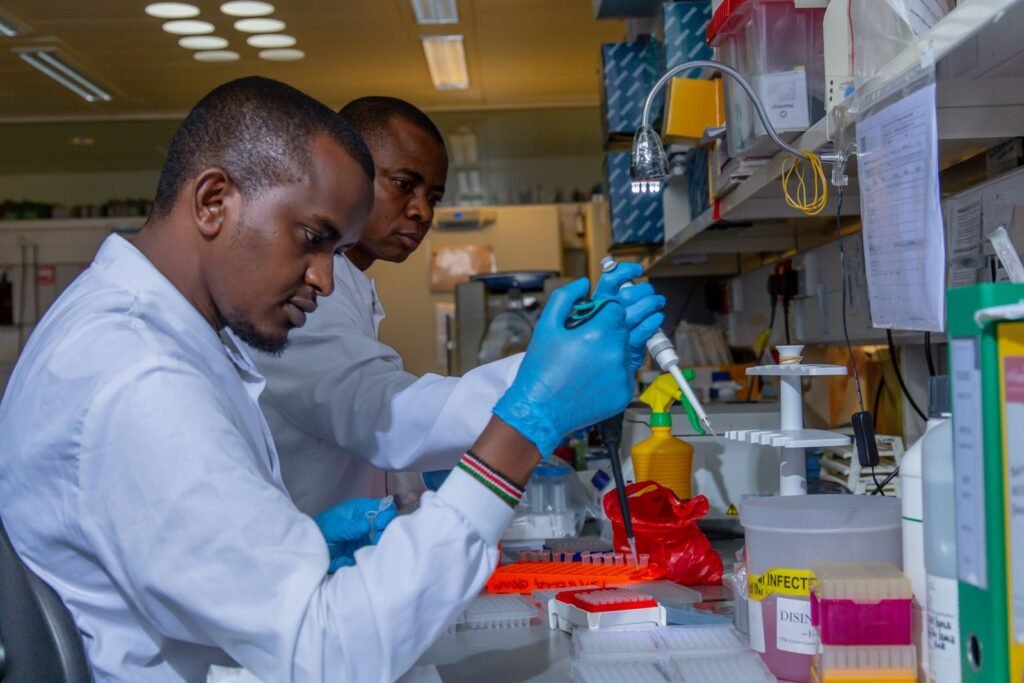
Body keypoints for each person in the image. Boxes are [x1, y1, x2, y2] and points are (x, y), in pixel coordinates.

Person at [0, 76, 665, 682]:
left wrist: (303, 545)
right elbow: (327, 653)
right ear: (213, 201)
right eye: (312, 238)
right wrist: (528, 420)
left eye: (336, 250)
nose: (324, 279)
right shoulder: (140, 377)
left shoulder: (148, 332)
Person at [254, 96, 660, 515]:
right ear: (346, 173)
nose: (422, 211)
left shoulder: (351, 284)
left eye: (434, 197)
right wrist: (552, 372)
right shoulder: (301, 291)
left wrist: (425, 478)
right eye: (403, 184)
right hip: (305, 544)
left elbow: (365, 442)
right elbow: (386, 418)